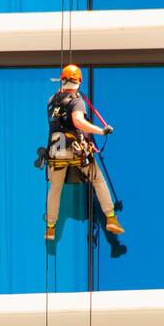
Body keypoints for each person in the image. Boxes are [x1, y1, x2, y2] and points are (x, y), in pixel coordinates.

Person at [44, 64, 124, 241]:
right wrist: (101, 131)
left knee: (55, 189)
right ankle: (111, 218)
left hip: (56, 153)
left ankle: (50, 227)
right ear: (79, 81)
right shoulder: (76, 100)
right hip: (76, 151)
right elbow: (78, 122)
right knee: (98, 180)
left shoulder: (52, 100)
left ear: (62, 80)